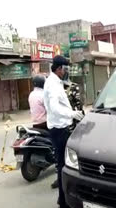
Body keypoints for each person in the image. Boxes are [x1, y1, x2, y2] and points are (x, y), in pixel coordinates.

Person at [44, 55, 84, 208]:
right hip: (59, 130)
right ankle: (64, 202)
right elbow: (54, 107)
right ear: (59, 68)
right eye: (65, 69)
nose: (66, 72)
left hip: (60, 128)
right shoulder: (53, 84)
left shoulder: (55, 82)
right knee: (64, 167)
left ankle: (62, 199)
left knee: (63, 165)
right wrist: (72, 114)